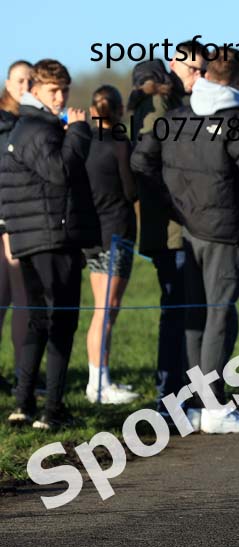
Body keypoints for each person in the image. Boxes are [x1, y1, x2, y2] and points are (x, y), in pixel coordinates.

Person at [132, 47, 239, 433]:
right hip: (226, 231)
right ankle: (213, 406)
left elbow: (140, 161)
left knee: (196, 313)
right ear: (238, 78)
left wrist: (173, 202)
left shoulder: (177, 116)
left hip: (189, 229)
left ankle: (195, 404)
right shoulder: (236, 120)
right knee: (219, 313)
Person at [0, 59, 100, 429]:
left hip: (34, 236)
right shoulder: (40, 128)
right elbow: (61, 171)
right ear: (35, 91)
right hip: (51, 237)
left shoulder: (25, 127)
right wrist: (78, 131)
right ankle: (52, 410)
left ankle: (23, 404)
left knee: (39, 322)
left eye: (65, 90)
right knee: (61, 323)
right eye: (53, 91)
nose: (60, 97)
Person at [127, 39, 205, 418]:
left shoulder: (180, 102)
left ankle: (182, 395)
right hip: (171, 226)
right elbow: (145, 164)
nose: (199, 77)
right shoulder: (159, 104)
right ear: (174, 65)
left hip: (182, 224)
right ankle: (169, 400)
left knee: (186, 309)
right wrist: (182, 203)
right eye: (193, 69)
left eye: (204, 70)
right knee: (176, 310)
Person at [84, 85, 139, 404]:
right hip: (116, 232)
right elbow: (131, 192)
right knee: (108, 309)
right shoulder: (120, 144)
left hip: (92, 233)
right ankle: (100, 383)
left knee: (100, 309)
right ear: (119, 111)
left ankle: (98, 380)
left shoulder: (84, 140)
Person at [0, 60, 32, 394]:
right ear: (8, 84)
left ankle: (23, 375)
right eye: (20, 80)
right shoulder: (7, 124)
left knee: (20, 297)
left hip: (18, 218)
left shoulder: (30, 121)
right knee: (14, 297)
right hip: (8, 219)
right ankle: (24, 379)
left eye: (29, 80)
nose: (25, 86)